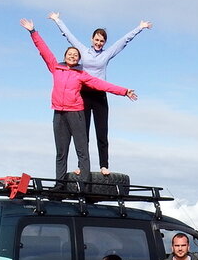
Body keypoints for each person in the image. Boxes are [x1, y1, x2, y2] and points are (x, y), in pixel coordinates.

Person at [20, 18, 138, 181]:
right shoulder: (56, 67)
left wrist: (124, 91)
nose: (73, 56)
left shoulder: (82, 75)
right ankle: (60, 183)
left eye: (75, 55)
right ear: (66, 56)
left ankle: (90, 177)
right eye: (70, 54)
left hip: (82, 106)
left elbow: (102, 83)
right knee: (63, 150)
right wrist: (34, 31)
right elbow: (45, 50)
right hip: (62, 110)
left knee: (89, 143)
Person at [48, 12, 152, 175]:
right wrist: (57, 20)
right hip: (82, 95)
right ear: (92, 39)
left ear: (104, 43)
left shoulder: (107, 53)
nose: (98, 43)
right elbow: (69, 36)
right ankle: (81, 166)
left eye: (101, 41)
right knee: (82, 133)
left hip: (100, 96)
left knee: (102, 132)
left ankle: (104, 165)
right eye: (96, 40)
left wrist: (140, 28)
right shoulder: (82, 50)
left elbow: (123, 41)